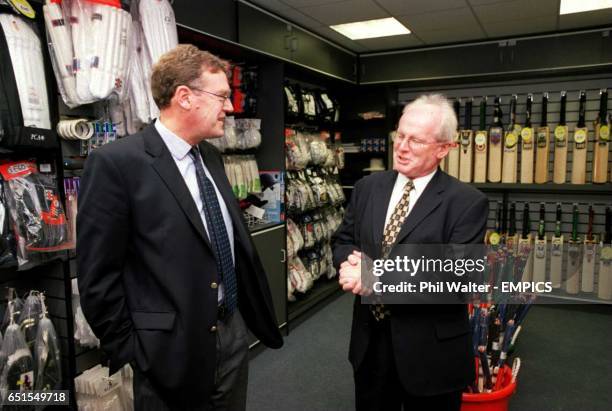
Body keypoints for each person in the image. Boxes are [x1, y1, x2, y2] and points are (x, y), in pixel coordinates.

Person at [77, 44, 283, 410]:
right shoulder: (118, 164)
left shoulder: (212, 158)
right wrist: (135, 349)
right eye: (222, 96)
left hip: (231, 332)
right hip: (167, 350)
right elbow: (97, 275)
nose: (231, 106)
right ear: (185, 97)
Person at [332, 94, 488, 411]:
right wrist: (348, 265)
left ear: (444, 148)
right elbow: (345, 240)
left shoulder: (466, 202)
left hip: (430, 351)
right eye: (400, 135)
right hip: (370, 344)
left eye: (415, 141)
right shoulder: (368, 188)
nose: (401, 147)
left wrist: (376, 277)